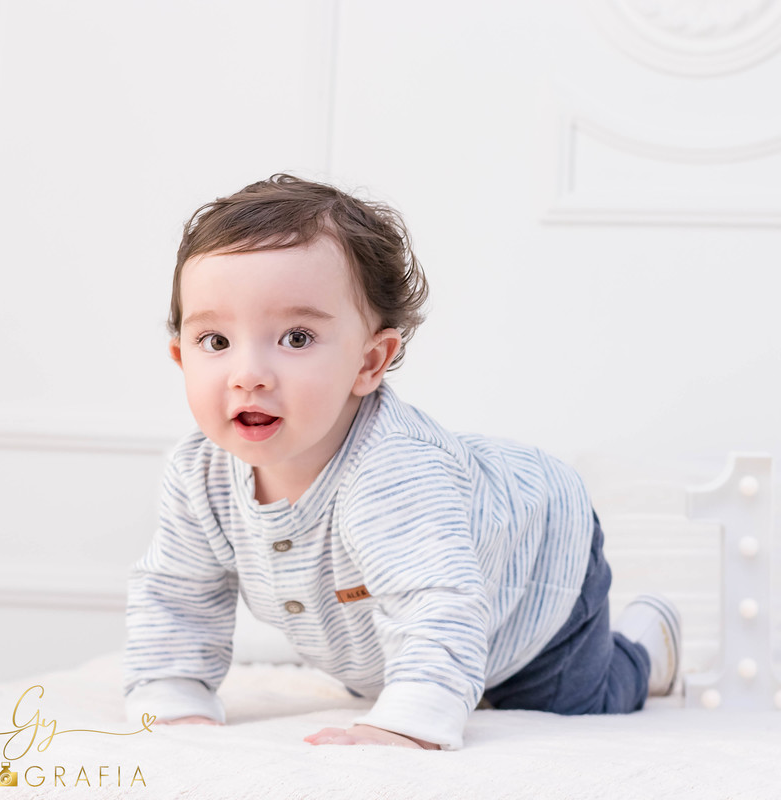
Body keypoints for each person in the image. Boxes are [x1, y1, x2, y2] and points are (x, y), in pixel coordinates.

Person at [123, 174, 681, 750]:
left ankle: (643, 647)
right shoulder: (198, 474)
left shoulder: (394, 473)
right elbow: (176, 592)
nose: (248, 373)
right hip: (391, 621)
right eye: (215, 342)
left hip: (532, 560)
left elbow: (435, 599)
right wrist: (173, 694)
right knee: (401, 669)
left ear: (370, 361)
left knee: (568, 698)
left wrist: (406, 722)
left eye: (295, 337)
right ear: (180, 357)